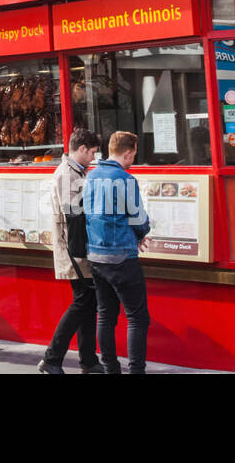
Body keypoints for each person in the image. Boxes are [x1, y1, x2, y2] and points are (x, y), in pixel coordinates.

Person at [84, 131, 151, 374]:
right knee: (137, 317)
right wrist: (143, 232)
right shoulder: (125, 179)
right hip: (121, 255)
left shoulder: (90, 176)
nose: (133, 158)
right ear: (128, 152)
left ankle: (110, 368)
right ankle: (136, 371)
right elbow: (138, 217)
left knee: (105, 315)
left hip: (95, 255)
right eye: (133, 154)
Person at [40, 128, 105, 374]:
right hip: (75, 250)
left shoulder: (76, 171)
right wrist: (82, 253)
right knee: (82, 301)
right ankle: (51, 358)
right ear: (81, 149)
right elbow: (75, 218)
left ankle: (88, 360)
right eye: (91, 153)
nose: (93, 158)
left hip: (79, 249)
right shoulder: (67, 175)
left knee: (88, 304)